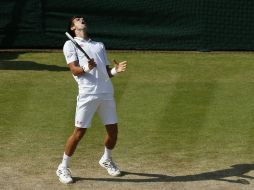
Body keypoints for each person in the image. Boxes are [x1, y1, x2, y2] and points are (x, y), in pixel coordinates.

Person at [56, 16, 127, 184]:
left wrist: (116, 71)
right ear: (73, 28)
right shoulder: (70, 44)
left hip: (106, 93)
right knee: (79, 132)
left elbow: (106, 71)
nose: (82, 19)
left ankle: (106, 159)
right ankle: (63, 167)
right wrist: (86, 67)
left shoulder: (98, 45)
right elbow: (74, 70)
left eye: (83, 19)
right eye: (77, 19)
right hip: (87, 94)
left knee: (113, 132)